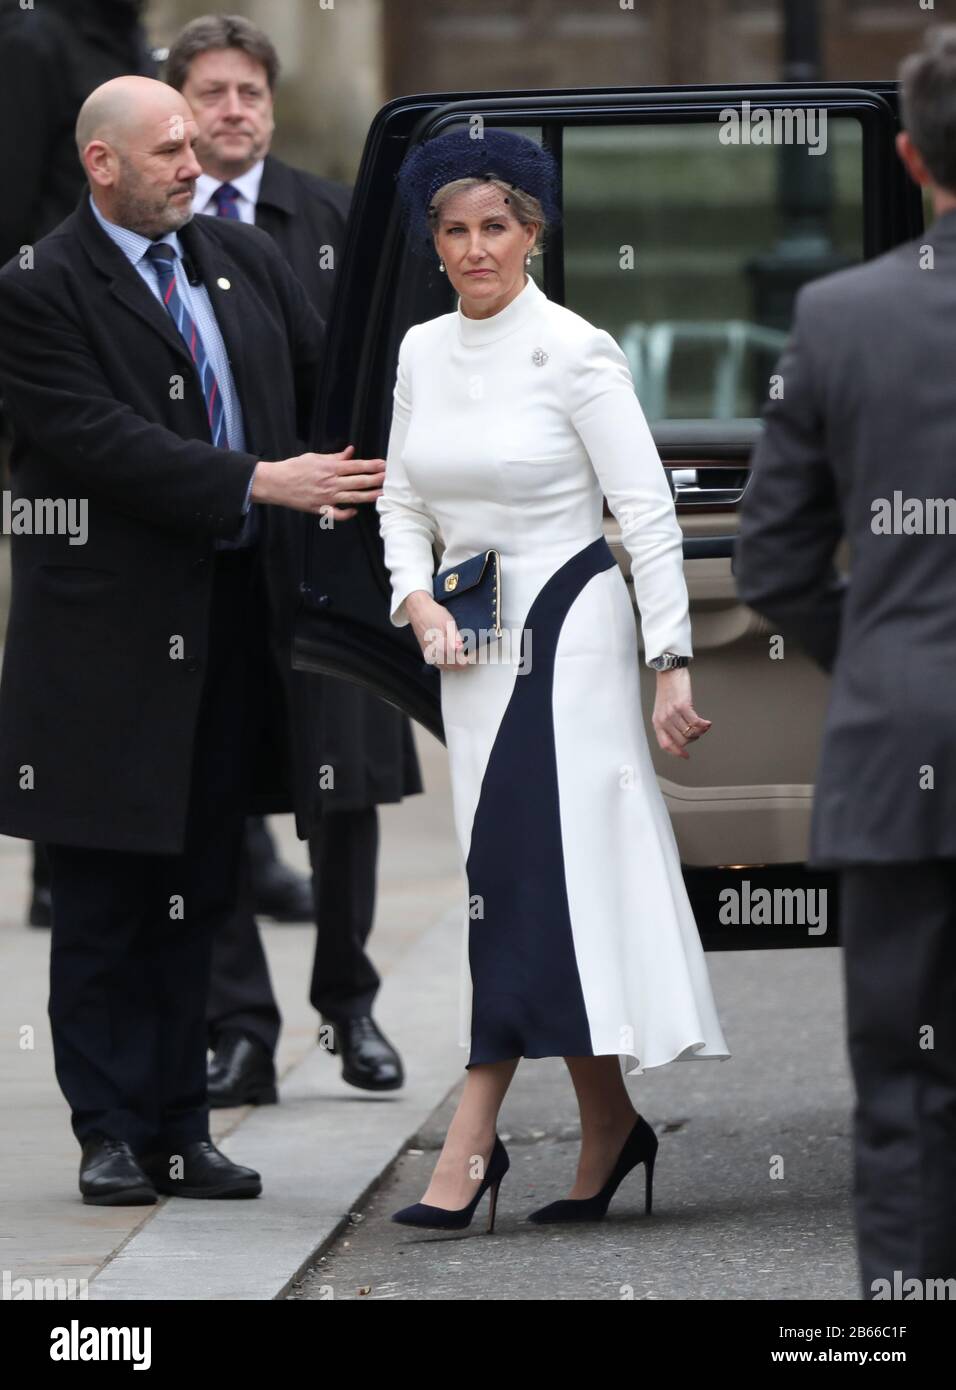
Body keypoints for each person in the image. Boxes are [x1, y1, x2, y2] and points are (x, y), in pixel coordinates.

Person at [0, 75, 385, 1204]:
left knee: (200, 889)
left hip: (232, 633)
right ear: (101, 164)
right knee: (109, 897)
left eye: (192, 146)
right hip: (103, 654)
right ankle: (109, 1130)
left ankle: (181, 1126)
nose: (193, 163)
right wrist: (259, 479)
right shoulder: (37, 289)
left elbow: (328, 396)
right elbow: (93, 441)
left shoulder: (242, 259)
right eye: (167, 146)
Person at [376, 128, 730, 1232]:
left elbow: (646, 514)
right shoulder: (421, 351)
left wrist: (668, 660)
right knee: (534, 878)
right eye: (454, 230)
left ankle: (469, 1142)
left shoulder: (577, 349)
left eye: (496, 226)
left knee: (521, 870)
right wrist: (414, 598)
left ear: (532, 231)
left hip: (570, 634)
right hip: (469, 646)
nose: (475, 248)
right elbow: (399, 502)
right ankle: (608, 1127)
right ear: (431, 243)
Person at [165, 13, 421, 1102]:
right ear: (174, 106)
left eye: (250, 93)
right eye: (212, 92)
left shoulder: (332, 217)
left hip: (329, 547)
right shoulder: (146, 230)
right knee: (204, 786)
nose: (234, 110)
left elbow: (386, 371)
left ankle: (348, 1004)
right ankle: (237, 1027)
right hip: (204, 554)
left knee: (344, 787)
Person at [736, 28, 956, 1296]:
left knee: (902, 1085)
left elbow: (768, 565)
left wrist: (873, 653)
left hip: (894, 750)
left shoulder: (837, 312)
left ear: (912, 154)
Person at [0, 0, 158, 928]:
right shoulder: (30, 40)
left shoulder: (121, 36)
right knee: (73, 628)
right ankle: (62, 862)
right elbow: (14, 200)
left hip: (136, 344)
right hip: (59, 365)